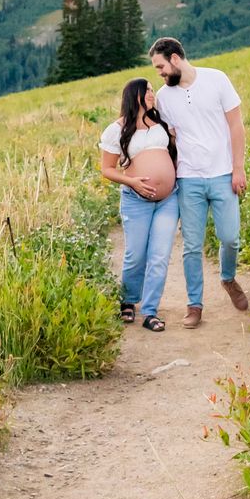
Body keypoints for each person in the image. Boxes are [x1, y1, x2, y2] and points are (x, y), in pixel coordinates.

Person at [149, 36, 248, 329]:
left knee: (230, 237)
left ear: (175, 59)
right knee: (192, 245)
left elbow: (236, 125)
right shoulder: (165, 98)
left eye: (161, 67)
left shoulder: (217, 80)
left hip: (222, 174)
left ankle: (228, 279)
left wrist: (238, 168)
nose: (160, 73)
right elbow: (166, 137)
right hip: (188, 178)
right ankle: (195, 305)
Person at [99, 77, 179, 332]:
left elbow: (172, 154)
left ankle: (151, 311)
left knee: (160, 255)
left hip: (168, 199)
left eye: (153, 90)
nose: (152, 94)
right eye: (147, 91)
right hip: (136, 201)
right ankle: (128, 300)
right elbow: (107, 170)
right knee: (136, 254)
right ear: (134, 95)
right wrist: (132, 181)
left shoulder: (161, 124)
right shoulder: (117, 130)